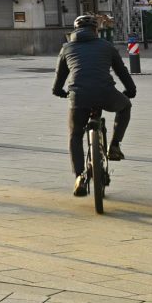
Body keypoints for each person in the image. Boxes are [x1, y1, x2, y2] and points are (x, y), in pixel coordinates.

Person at [53, 13, 135, 198]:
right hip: (105, 93)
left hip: (78, 97)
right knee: (125, 106)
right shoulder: (106, 46)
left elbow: (60, 76)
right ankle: (114, 145)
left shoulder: (67, 48)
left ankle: (80, 177)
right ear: (96, 30)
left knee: (75, 135)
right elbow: (121, 71)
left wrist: (58, 91)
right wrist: (131, 90)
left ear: (75, 30)